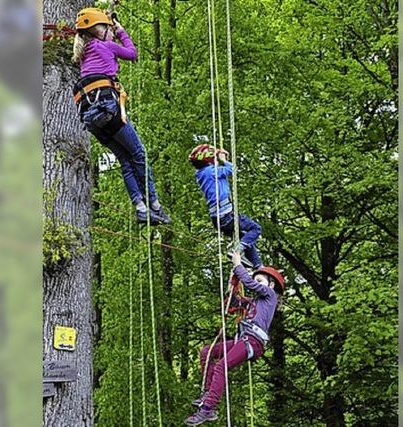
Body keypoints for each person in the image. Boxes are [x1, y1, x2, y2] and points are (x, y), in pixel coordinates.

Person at [72, 8, 170, 225]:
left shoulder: (82, 53)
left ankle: (141, 208)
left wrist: (108, 21)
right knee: (138, 154)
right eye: (109, 30)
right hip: (109, 109)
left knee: (126, 160)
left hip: (92, 118)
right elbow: (132, 54)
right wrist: (122, 31)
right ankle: (154, 204)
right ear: (101, 30)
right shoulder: (106, 44)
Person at [185, 251, 285, 426]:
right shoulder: (253, 302)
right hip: (243, 339)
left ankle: (208, 409)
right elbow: (232, 302)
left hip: (253, 341)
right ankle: (208, 393)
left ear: (271, 284)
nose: (257, 284)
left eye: (260, 281)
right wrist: (234, 280)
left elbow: (249, 282)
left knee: (221, 366)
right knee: (207, 352)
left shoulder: (270, 297)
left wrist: (238, 265)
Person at [189, 144, 262, 268]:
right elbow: (232, 169)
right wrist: (223, 160)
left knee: (245, 237)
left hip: (217, 218)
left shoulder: (201, 174)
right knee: (255, 229)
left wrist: (218, 155)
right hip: (226, 215)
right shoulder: (212, 171)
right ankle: (237, 251)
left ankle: (258, 265)